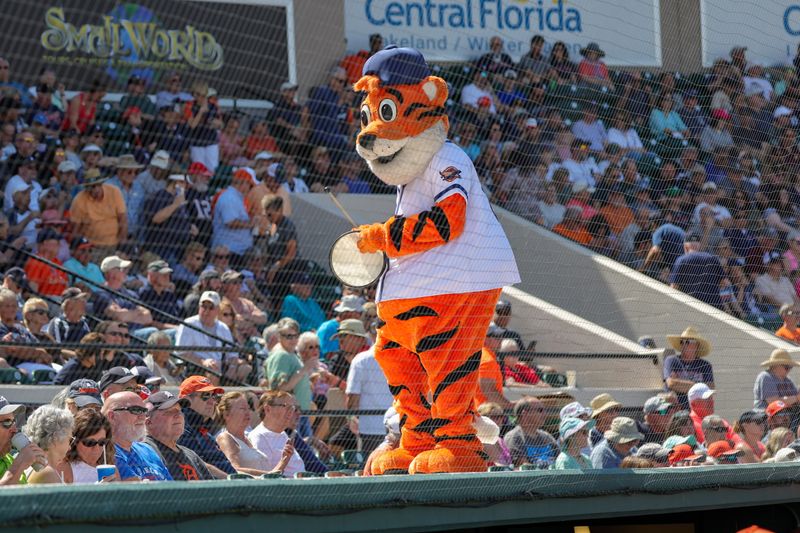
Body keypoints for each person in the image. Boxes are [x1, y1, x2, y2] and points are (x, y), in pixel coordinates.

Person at [101, 391, 172, 481]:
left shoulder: (147, 449)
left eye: (144, 411)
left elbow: (173, 487)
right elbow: (134, 490)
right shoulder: (105, 450)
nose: (143, 417)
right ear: (112, 416)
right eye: (136, 410)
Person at [144, 391, 214, 481]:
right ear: (149, 422)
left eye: (179, 411)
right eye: (169, 412)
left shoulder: (191, 455)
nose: (178, 415)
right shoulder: (145, 451)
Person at [215, 391, 288, 476]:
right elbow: (235, 470)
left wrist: (284, 460)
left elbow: (270, 473)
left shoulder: (249, 437)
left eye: (248, 408)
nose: (248, 412)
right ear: (226, 414)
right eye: (242, 409)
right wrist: (269, 475)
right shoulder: (225, 437)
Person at [264, 318, 315, 435]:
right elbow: (279, 389)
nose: (293, 340)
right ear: (279, 336)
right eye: (288, 336)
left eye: (295, 336)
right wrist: (303, 370)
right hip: (289, 415)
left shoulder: (290, 354)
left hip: (297, 414)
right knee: (299, 451)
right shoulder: (281, 356)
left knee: (302, 451)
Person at [177, 376, 235, 476]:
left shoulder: (205, 432)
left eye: (214, 396)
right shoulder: (180, 428)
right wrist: (233, 481)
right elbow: (195, 464)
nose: (212, 402)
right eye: (205, 396)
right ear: (186, 400)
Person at [345, 341, 394, 455]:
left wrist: (351, 418)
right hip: (396, 426)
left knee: (370, 468)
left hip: (369, 428)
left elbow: (352, 396)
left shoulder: (361, 360)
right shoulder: (402, 358)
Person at [69, 169, 127, 259]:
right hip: (92, 247)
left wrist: (122, 246)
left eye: (97, 185)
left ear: (101, 184)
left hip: (115, 245)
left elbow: (122, 219)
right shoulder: (79, 200)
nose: (95, 189)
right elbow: (76, 229)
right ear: (86, 188)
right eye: (91, 187)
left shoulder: (114, 192)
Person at [140, 174, 194, 265]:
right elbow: (156, 218)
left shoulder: (178, 199)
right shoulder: (160, 196)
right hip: (161, 249)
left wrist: (189, 227)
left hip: (177, 250)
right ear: (176, 183)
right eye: (184, 184)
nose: (186, 187)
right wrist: (175, 205)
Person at [248, 391, 304, 477]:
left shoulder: (282, 434)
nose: (291, 411)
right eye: (286, 406)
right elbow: (264, 478)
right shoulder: (259, 437)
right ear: (268, 409)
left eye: (292, 407)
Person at [91, 256, 153, 330]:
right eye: (122, 269)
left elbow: (148, 318)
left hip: (137, 331)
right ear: (111, 274)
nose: (126, 272)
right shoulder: (101, 294)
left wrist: (127, 314)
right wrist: (137, 313)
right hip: (118, 335)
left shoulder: (130, 294)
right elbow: (119, 316)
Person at [669, 232, 726, 309]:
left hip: (691, 306)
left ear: (685, 246)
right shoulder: (712, 258)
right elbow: (724, 283)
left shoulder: (681, 260)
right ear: (698, 245)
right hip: (714, 306)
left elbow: (674, 286)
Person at [19, 405, 72, 484]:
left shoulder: (31, 464)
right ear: (55, 438)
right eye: (70, 439)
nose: (70, 447)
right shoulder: (47, 472)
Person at [61, 408, 117, 484]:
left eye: (102, 442)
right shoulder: (65, 468)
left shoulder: (109, 467)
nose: (96, 449)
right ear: (75, 441)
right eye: (89, 443)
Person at [663, 327, 715, 409]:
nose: (683, 344)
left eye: (687, 342)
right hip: (675, 410)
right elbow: (671, 383)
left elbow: (709, 389)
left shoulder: (705, 365)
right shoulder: (671, 360)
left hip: (698, 410)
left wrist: (680, 384)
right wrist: (699, 387)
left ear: (696, 345)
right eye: (681, 342)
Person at [211, 167, 256, 263]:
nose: (250, 189)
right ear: (242, 183)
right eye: (250, 185)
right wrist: (251, 224)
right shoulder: (229, 198)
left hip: (237, 252)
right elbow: (230, 222)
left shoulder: (237, 198)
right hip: (228, 253)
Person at [0, 396, 47, 485]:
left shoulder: (10, 460)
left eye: (14, 421)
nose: (14, 429)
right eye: (7, 422)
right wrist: (19, 466)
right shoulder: (16, 465)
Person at [504, 397, 558, 467]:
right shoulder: (514, 437)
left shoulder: (547, 437)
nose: (545, 414)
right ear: (525, 414)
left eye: (545, 410)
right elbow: (525, 467)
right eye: (540, 410)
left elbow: (559, 460)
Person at [138, 260, 180, 329]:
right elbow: (146, 321)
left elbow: (177, 317)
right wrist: (172, 327)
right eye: (164, 275)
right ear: (152, 276)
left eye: (168, 275)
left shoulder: (169, 295)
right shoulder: (144, 293)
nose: (168, 278)